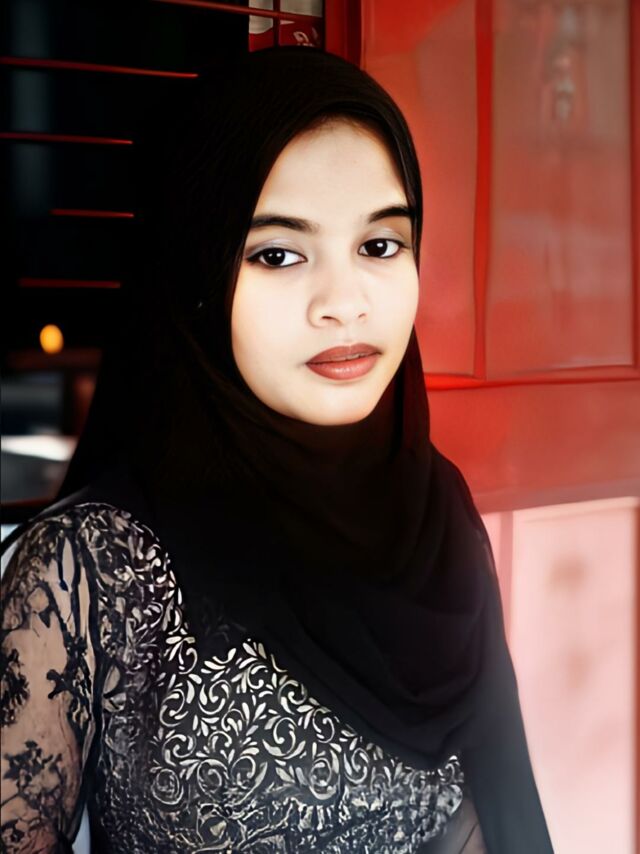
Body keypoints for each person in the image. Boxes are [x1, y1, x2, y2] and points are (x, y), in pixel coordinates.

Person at [0, 47, 553, 853]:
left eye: (380, 244)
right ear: (196, 273)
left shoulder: (433, 513)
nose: (344, 304)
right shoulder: (87, 571)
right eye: (278, 254)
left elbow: (504, 817)